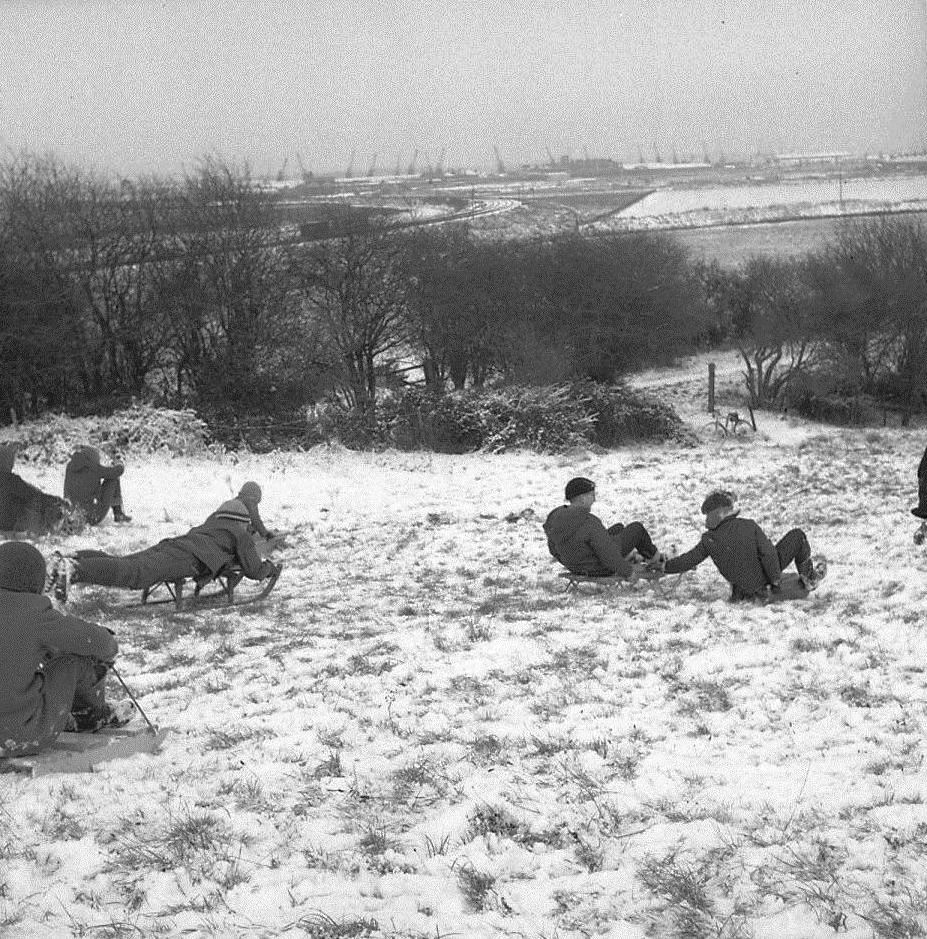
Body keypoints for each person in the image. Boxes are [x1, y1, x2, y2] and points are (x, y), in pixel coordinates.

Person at [0, 542, 125, 758]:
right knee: (72, 662)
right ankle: (90, 717)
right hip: (17, 735)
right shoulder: (33, 613)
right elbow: (95, 642)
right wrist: (109, 642)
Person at [51, 499, 280, 602]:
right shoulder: (240, 533)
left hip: (173, 544)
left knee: (125, 562)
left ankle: (73, 558)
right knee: (136, 574)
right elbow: (253, 569)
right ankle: (74, 569)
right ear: (242, 520)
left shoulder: (210, 524)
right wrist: (270, 568)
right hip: (189, 558)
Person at [656, 490, 825, 601]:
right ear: (725, 511)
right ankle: (809, 577)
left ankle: (748, 591)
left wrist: (664, 567)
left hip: (742, 590)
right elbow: (768, 554)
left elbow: (689, 559)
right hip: (764, 581)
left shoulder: (709, 540)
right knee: (797, 536)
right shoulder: (748, 526)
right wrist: (775, 581)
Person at [543, 476, 665, 579]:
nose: (594, 499)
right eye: (592, 495)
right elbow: (608, 555)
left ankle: (634, 557)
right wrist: (628, 572)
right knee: (636, 529)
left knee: (618, 528)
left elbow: (553, 549)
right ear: (582, 498)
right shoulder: (588, 522)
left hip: (576, 566)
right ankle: (657, 561)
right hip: (599, 568)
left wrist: (572, 563)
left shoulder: (556, 518)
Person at [0, 444, 70, 534]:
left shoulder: (8, 480)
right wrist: (58, 500)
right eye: (11, 458)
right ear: (7, 461)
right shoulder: (10, 480)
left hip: (6, 527)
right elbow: (34, 494)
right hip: (16, 526)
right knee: (45, 506)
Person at [63, 446, 132, 525]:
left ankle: (118, 514)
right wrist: (119, 463)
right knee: (113, 478)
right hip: (90, 517)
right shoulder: (93, 467)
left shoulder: (70, 466)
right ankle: (118, 513)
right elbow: (117, 472)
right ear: (91, 457)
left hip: (71, 514)